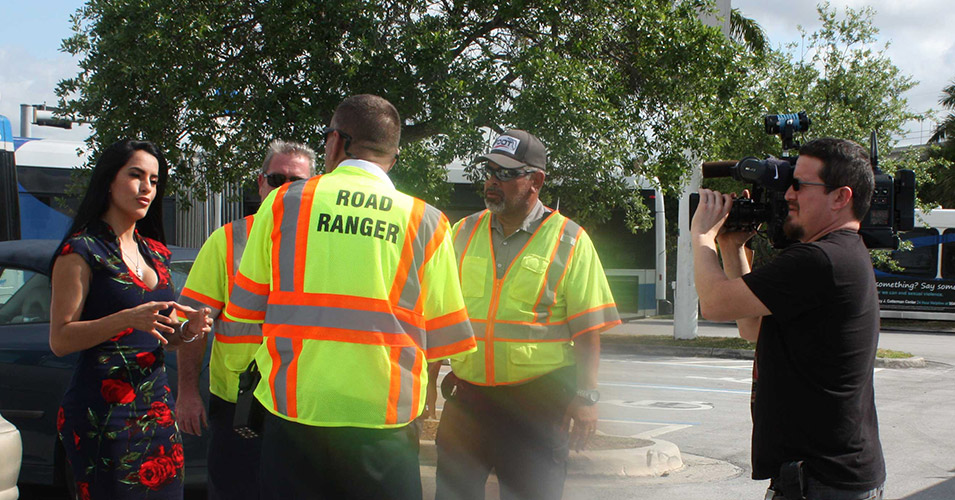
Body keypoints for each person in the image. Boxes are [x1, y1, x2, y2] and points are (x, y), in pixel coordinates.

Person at [224, 94, 476, 500]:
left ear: (337, 142)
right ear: (393, 156)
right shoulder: (427, 221)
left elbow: (244, 309)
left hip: (294, 412)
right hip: (384, 418)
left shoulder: (284, 203)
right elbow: (447, 337)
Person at [690, 137, 886, 500]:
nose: (788, 195)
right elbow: (752, 327)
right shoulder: (838, 256)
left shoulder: (819, 260)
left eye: (799, 184)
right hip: (823, 479)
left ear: (840, 197)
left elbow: (714, 303)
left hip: (824, 483)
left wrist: (701, 235)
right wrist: (731, 248)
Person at [433, 130, 621, 500]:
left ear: (536, 180)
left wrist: (586, 397)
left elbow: (587, 331)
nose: (492, 182)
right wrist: (427, 379)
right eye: (489, 171)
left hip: (537, 406)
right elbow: (441, 314)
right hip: (468, 401)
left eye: (505, 174)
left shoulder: (570, 240)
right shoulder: (461, 233)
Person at [49, 139, 212, 499]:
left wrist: (188, 330)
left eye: (154, 180)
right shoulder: (81, 251)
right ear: (109, 180)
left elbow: (160, 333)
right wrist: (126, 318)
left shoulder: (156, 252)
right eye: (136, 175)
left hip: (157, 411)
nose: (146, 188)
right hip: (103, 416)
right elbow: (60, 339)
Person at [175, 140, 315, 499]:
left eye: (295, 182)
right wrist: (188, 392)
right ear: (260, 182)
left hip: (304, 406)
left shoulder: (324, 244)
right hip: (240, 405)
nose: (283, 189)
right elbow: (192, 324)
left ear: (313, 186)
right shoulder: (227, 240)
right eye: (275, 178)